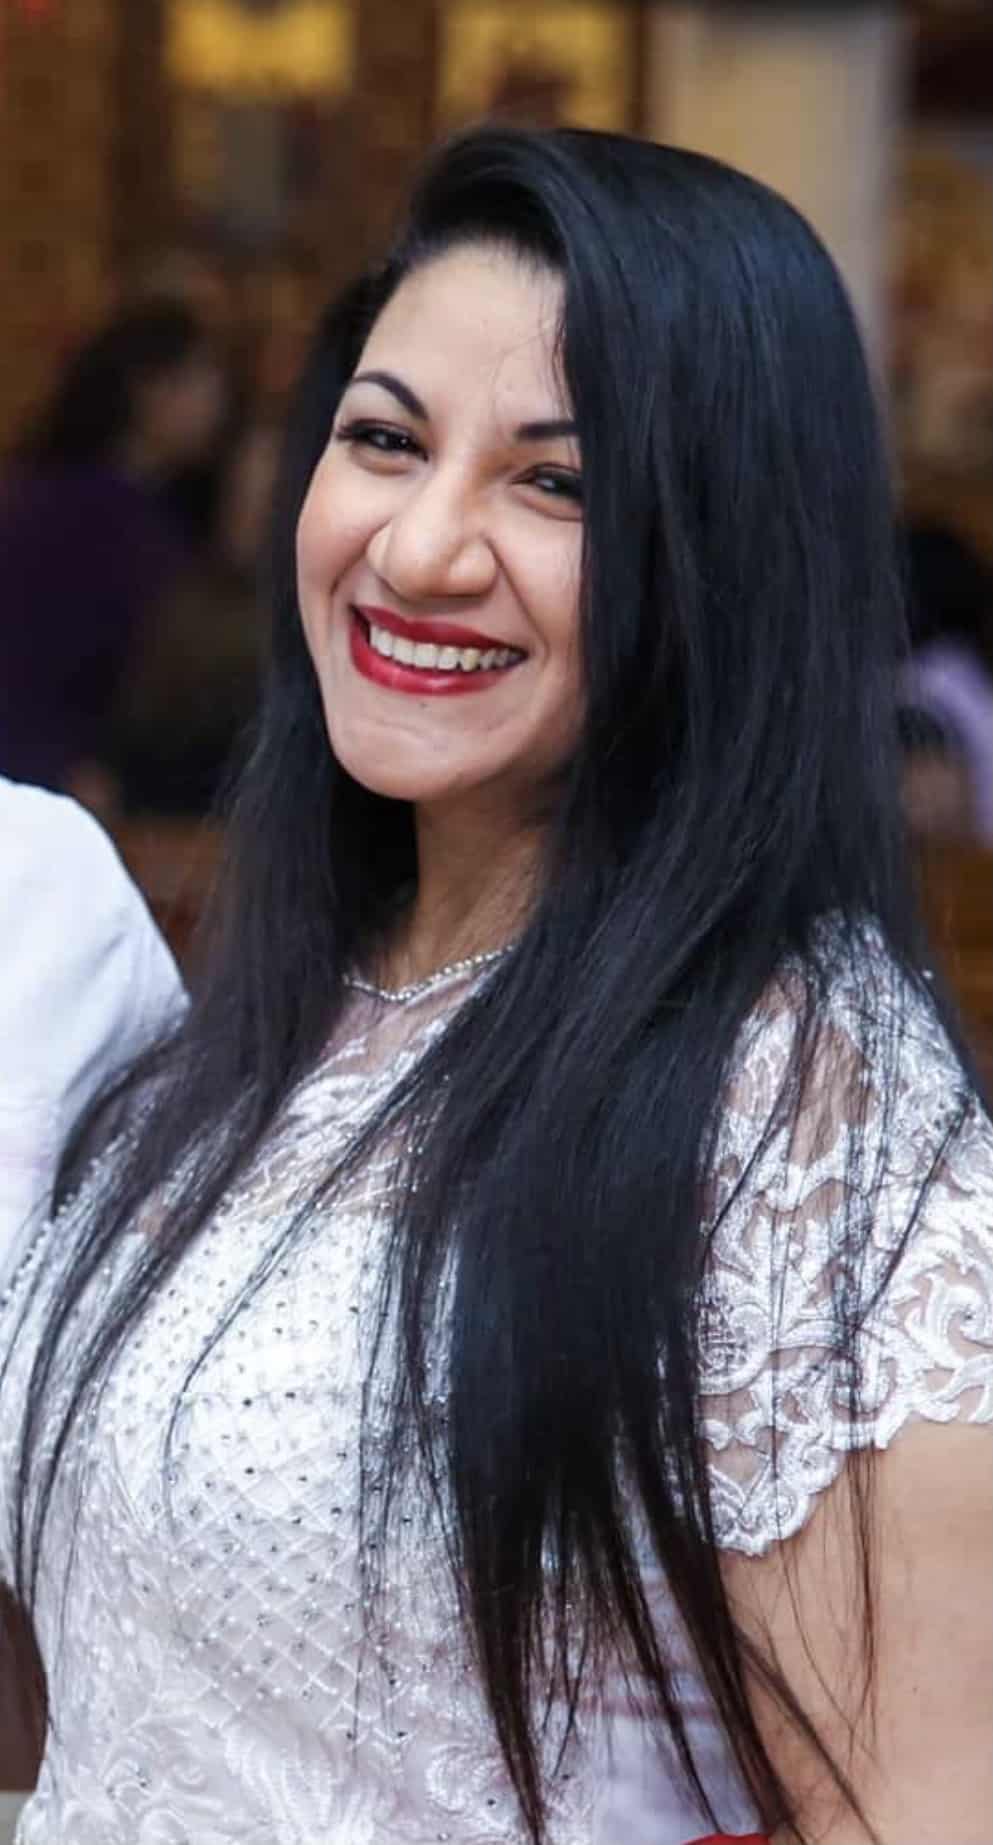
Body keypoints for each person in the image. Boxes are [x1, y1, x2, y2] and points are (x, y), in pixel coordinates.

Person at [0, 126, 991, 1845]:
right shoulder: (263, 1030)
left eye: (558, 484)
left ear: (725, 556)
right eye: (383, 442)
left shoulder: (797, 1093)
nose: (422, 548)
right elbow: (110, 1681)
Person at [0, 299, 226, 796]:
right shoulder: (81, 513)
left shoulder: (141, 508)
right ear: (150, 389)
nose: (217, 400)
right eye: (202, 377)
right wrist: (59, 764)